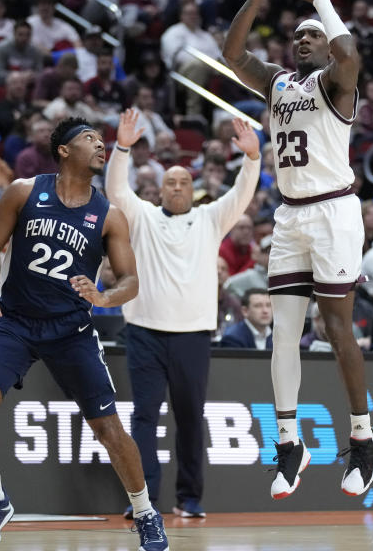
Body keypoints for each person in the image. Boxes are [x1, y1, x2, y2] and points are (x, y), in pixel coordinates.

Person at [222, 0, 373, 500]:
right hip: (289, 217)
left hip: (335, 211)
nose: (303, 40)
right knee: (283, 334)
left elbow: (350, 54)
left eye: (311, 34)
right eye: (298, 36)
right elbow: (231, 51)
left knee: (336, 330)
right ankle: (289, 445)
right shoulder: (280, 84)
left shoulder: (339, 84)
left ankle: (363, 438)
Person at [0, 116, 168, 551]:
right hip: (15, 320)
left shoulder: (108, 215)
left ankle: (146, 511)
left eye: (102, 139)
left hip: (72, 330)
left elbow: (130, 280)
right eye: (90, 139)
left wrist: (102, 296)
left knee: (110, 429)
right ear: (63, 150)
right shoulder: (24, 191)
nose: (101, 145)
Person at [105, 107, 259, 518]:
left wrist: (252, 158)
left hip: (193, 335)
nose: (175, 187)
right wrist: (122, 147)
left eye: (182, 181)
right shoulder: (142, 217)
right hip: (144, 334)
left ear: (192, 189)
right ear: (159, 190)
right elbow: (117, 190)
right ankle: (143, 500)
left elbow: (241, 195)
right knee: (143, 419)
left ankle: (189, 499)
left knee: (191, 420)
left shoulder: (211, 218)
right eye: (169, 182)